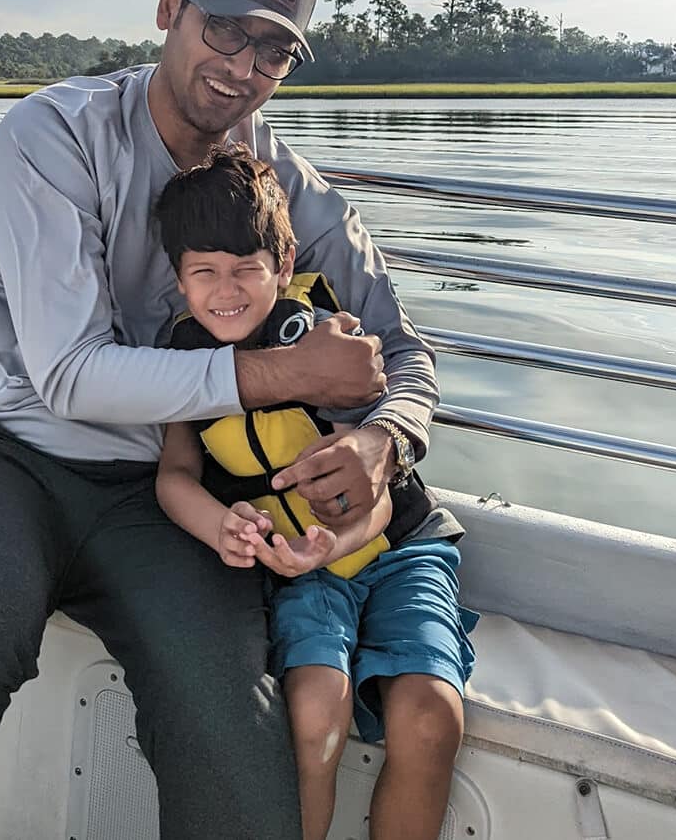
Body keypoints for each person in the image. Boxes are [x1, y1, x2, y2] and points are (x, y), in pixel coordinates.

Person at [0, 0, 440, 840]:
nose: (243, 65)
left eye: (275, 47)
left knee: (231, 719)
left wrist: (383, 441)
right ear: (169, 10)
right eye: (225, 28)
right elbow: (66, 374)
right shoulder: (54, 133)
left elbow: (406, 352)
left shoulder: (280, 188)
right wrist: (284, 373)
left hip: (163, 487)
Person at [154, 145, 474, 840]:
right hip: (297, 563)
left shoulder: (323, 338)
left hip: (395, 547)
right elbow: (175, 474)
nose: (226, 289)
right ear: (179, 280)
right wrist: (222, 527)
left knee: (429, 717)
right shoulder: (179, 355)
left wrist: (339, 540)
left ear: (286, 263)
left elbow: (380, 489)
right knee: (312, 713)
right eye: (203, 272)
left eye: (247, 268)